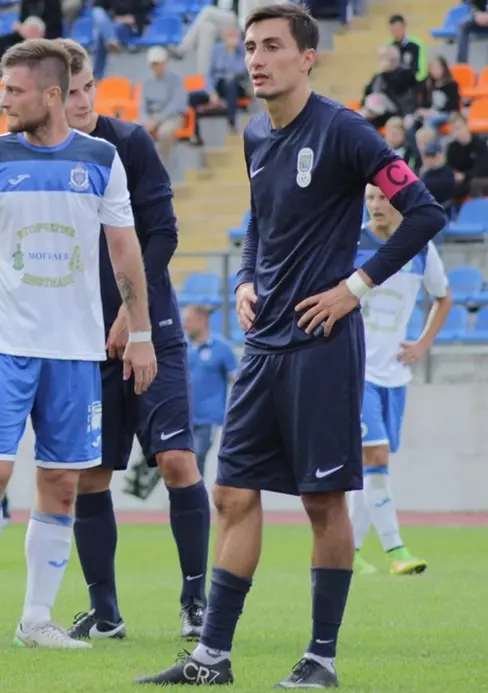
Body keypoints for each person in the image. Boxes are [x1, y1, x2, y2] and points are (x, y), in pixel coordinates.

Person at [135, 5, 446, 688]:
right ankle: (212, 657)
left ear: (308, 57)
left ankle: (321, 659)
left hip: (324, 346)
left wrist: (355, 288)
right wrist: (246, 278)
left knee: (321, 502)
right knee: (233, 494)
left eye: (272, 46)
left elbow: (424, 209)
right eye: (249, 47)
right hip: (263, 346)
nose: (256, 58)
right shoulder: (254, 133)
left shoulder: (345, 131)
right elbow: (259, 221)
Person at [0, 38, 157, 650]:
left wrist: (141, 330)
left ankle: (36, 619)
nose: (2, 99)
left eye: (13, 90)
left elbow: (126, 249)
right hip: (1, 343)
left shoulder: (101, 158)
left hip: (74, 351)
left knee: (62, 484)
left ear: (51, 95)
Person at [54, 37, 211, 643]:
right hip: (80, 344)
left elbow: (165, 234)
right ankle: (106, 611)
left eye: (88, 86)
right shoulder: (34, 161)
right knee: (89, 478)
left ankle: (195, 600)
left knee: (176, 460)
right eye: (69, 93)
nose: (83, 99)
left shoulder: (130, 143)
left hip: (154, 332)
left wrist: (130, 312)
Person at [350, 184, 453, 577]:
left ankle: (350, 549)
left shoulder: (421, 247)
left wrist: (423, 343)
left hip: (394, 373)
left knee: (371, 464)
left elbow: (443, 297)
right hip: (356, 371)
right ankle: (396, 549)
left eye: (383, 198)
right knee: (375, 457)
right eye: (371, 198)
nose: (376, 205)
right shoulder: (350, 241)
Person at [182, 304, 238, 474]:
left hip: (208, 418)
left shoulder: (221, 347)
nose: (184, 325)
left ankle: (195, 498)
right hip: (182, 415)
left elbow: (236, 380)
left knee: (197, 456)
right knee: (179, 459)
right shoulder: (182, 347)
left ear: (202, 320)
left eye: (188, 321)